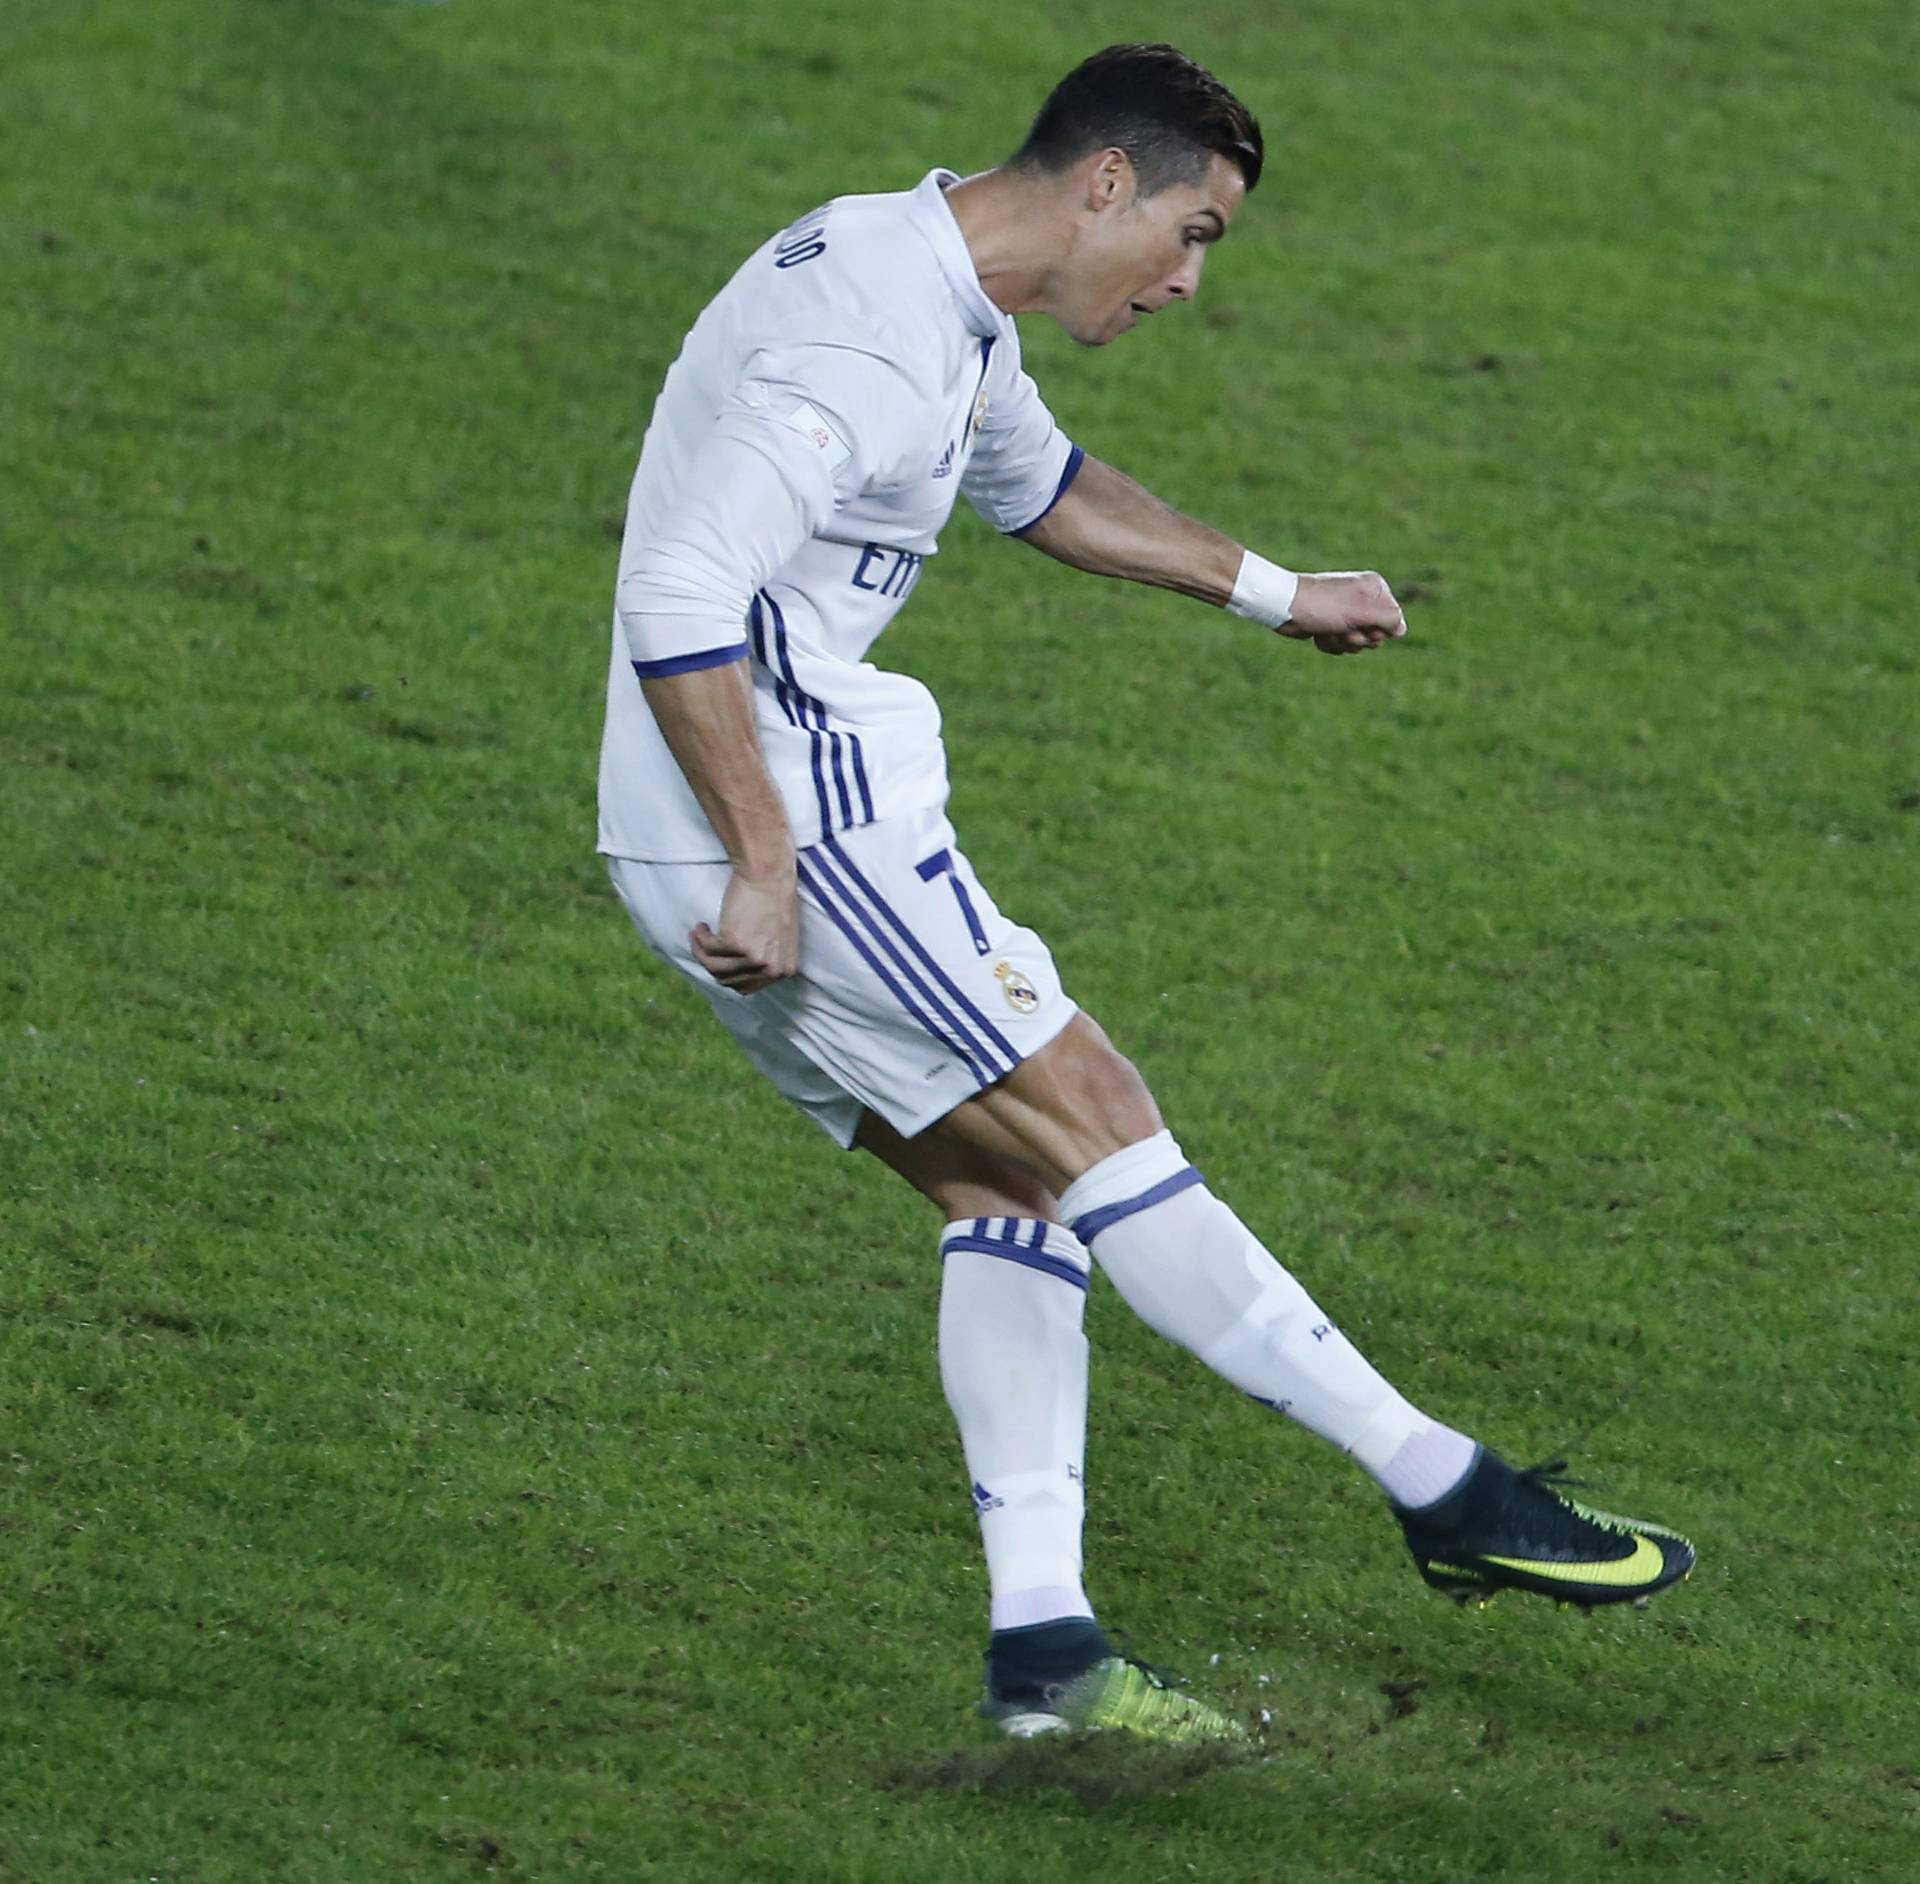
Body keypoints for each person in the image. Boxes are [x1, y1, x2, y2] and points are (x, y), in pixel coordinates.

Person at [597, 43, 1695, 1744]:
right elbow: (679, 583)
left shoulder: (941, 288)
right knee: (1102, 1117)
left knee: (1011, 1196)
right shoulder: (867, 339)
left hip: (722, 810)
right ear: (1104, 180)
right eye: (1191, 232)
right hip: (787, 806)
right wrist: (763, 856)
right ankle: (1444, 1487)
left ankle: (1048, 1658)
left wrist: (1273, 591)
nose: (1187, 280)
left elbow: (1036, 484)